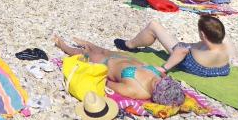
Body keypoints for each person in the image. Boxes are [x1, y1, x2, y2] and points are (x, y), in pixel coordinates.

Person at [53, 35, 186, 105]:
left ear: (156, 93)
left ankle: (63, 45)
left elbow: (107, 83)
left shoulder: (135, 91)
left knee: (80, 53)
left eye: (157, 84)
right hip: (123, 58)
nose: (158, 79)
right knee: (103, 50)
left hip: (105, 64)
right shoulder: (161, 78)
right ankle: (88, 44)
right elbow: (159, 71)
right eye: (163, 80)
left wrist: (96, 70)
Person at [117, 15, 233, 77]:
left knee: (153, 26)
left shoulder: (197, 51)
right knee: (185, 45)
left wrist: (164, 68)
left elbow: (181, 52)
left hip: (192, 65)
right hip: (220, 70)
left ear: (202, 34)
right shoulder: (224, 45)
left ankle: (129, 44)